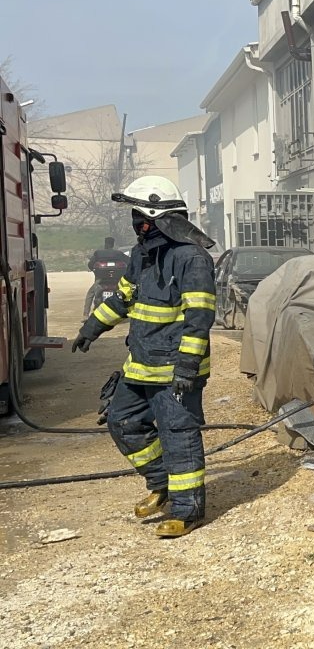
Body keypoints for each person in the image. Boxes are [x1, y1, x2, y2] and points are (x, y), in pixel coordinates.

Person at [72, 176, 217, 538]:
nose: (135, 224)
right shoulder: (141, 254)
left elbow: (199, 317)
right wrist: (92, 326)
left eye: (139, 216)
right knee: (123, 422)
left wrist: (187, 365)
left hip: (175, 370)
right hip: (141, 366)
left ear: (155, 217)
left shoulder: (192, 259)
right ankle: (163, 482)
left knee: (177, 435)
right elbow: (124, 298)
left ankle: (188, 510)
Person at [83, 237, 130, 317]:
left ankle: (85, 314)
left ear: (105, 244)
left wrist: (94, 271)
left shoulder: (98, 253)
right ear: (113, 244)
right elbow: (129, 262)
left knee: (90, 294)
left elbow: (90, 265)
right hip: (117, 280)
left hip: (101, 280)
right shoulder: (118, 253)